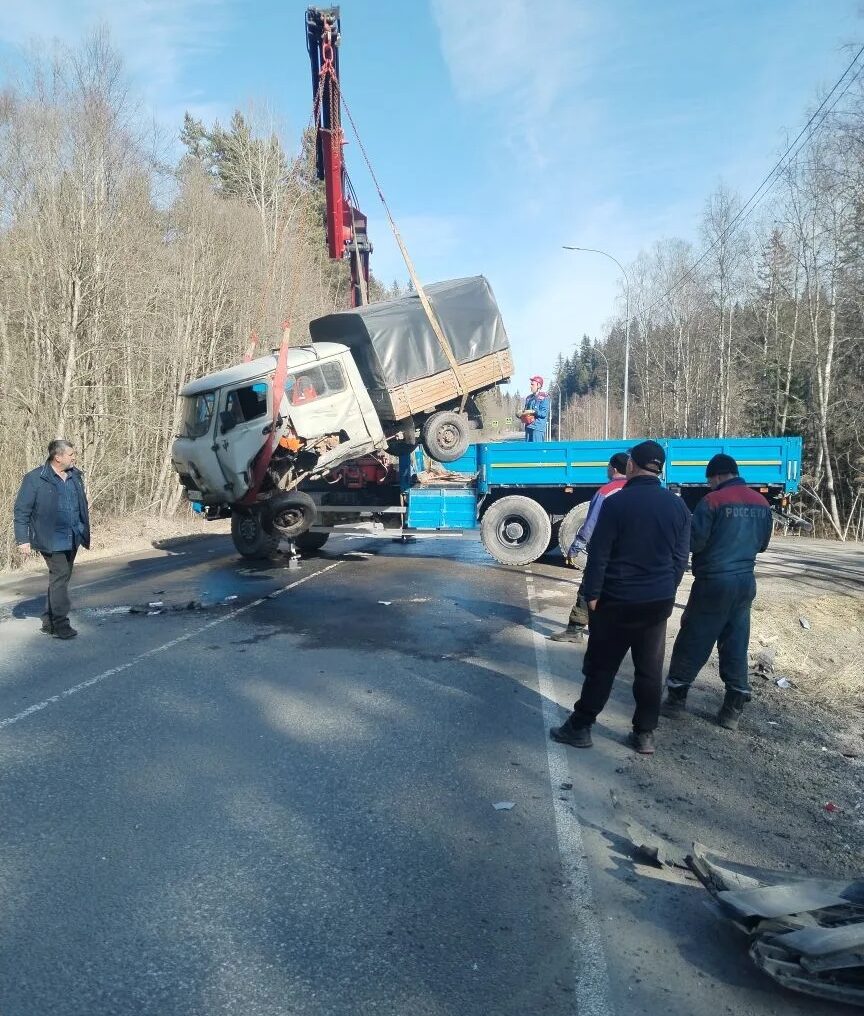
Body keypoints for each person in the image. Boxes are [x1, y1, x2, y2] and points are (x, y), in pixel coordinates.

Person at [550, 441, 691, 755]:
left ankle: (581, 727)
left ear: (631, 466)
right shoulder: (678, 506)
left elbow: (599, 557)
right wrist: (667, 590)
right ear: (661, 468)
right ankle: (644, 735)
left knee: (602, 667)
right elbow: (681, 559)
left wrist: (593, 596)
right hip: (655, 604)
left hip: (615, 601)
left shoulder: (617, 503)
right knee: (649, 672)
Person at [662, 453, 773, 731]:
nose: (709, 485)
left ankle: (675, 700)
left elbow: (696, 542)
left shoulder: (712, 501)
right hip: (745, 582)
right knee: (735, 641)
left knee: (694, 637)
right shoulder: (761, 502)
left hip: (714, 582)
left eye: (710, 480)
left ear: (719, 476)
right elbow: (762, 545)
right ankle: (733, 708)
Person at [13, 439, 91, 639]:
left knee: (60, 579)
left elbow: (80, 504)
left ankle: (48, 621)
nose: (74, 457)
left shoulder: (75, 476)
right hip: (51, 538)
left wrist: (82, 528)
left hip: (73, 536)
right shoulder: (35, 478)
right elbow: (22, 510)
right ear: (58, 457)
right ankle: (60, 624)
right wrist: (23, 540)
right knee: (60, 576)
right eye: (71, 454)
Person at [549, 452, 630, 642]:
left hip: (604, 552)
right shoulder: (635, 490)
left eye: (608, 467)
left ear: (614, 469)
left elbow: (590, 524)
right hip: (629, 554)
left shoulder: (606, 492)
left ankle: (575, 630)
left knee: (588, 588)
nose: (607, 470)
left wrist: (575, 547)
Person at [520, 375, 549, 441]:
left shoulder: (544, 398)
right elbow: (526, 411)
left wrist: (534, 412)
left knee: (537, 449)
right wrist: (521, 414)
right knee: (528, 450)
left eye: (532, 385)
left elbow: (544, 413)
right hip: (528, 427)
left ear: (538, 385)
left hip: (537, 428)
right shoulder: (529, 398)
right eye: (531, 384)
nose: (531, 386)